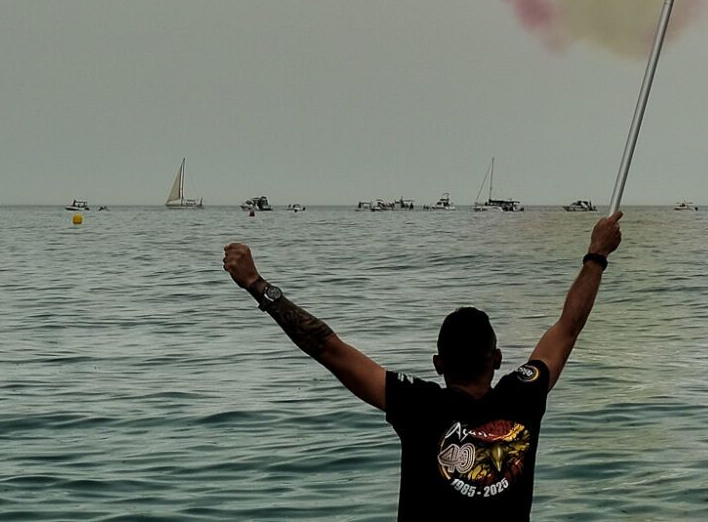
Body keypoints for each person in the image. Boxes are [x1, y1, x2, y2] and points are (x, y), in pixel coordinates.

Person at [222, 210, 623, 518]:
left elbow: (326, 346)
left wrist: (258, 285)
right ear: (498, 359)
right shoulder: (524, 394)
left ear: (437, 364)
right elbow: (568, 327)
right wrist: (596, 254)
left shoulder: (416, 403)